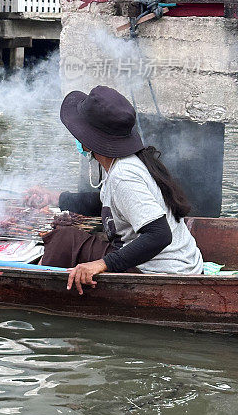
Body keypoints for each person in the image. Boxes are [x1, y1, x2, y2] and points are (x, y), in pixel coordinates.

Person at [41, 85, 203, 294]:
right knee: (69, 237)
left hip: (162, 272)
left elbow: (160, 235)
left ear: (90, 141)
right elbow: (104, 202)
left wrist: (100, 264)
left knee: (63, 240)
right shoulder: (126, 163)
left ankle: (42, 294)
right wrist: (56, 198)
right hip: (178, 265)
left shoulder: (124, 176)